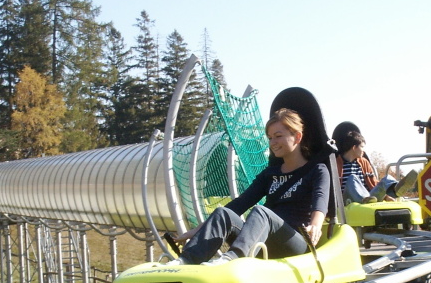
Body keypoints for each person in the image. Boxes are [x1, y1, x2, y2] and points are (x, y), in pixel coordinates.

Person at [175, 107, 330, 264]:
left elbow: (321, 201)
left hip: (296, 243)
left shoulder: (317, 170)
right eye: (270, 138)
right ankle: (185, 261)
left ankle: (233, 259)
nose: (273, 143)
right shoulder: (270, 174)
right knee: (223, 213)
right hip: (265, 240)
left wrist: (315, 225)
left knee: (261, 212)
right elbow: (239, 204)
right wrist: (198, 230)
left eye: (278, 136)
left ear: (297, 137)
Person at [331, 122, 415, 203]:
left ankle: (396, 189)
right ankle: (364, 199)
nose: (363, 151)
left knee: (386, 179)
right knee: (352, 178)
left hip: (369, 198)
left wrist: (385, 196)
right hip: (348, 201)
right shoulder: (336, 164)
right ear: (354, 148)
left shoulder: (364, 162)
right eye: (362, 147)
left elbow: (373, 182)